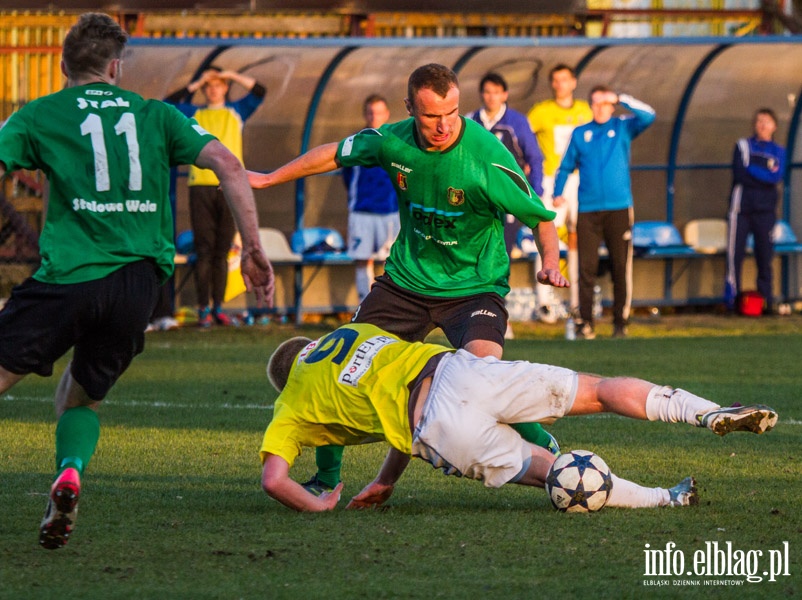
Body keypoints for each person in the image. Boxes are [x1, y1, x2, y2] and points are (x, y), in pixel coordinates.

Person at [0, 12, 275, 550]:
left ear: (62, 64)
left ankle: (69, 473)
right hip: (137, 287)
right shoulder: (157, 114)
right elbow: (227, 164)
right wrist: (254, 250)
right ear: (116, 66)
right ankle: (71, 470)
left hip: (69, 278)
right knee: (78, 399)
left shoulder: (38, 115)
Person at [248, 63, 568, 496]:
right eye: (431, 116)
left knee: (484, 377)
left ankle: (548, 452)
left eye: (452, 112)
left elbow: (541, 218)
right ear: (410, 109)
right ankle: (326, 480)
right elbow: (331, 153)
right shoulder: (391, 141)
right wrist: (269, 178)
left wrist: (551, 262)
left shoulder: (486, 154)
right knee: (335, 366)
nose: (443, 125)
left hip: (473, 287)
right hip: (404, 285)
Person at [259, 323, 778, 512]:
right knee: (598, 390)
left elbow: (274, 479)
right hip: (459, 372)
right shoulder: (355, 332)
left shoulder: (290, 406)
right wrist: (385, 481)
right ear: (311, 347)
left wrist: (319, 504)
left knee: (553, 473)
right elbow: (390, 389)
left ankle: (666, 498)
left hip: (438, 428)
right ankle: (706, 411)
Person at [164, 65, 266, 327]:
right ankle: (202, 309)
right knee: (204, 249)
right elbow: (168, 104)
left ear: (225, 87)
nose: (213, 89)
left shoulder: (236, 112)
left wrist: (230, 75)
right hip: (200, 187)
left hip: (229, 186)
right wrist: (196, 83)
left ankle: (219, 307)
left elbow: (259, 91)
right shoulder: (194, 113)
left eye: (218, 84)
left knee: (222, 250)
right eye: (209, 85)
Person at [554, 86, 655, 339]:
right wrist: (558, 192)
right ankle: (585, 323)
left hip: (619, 208)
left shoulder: (623, 127)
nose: (601, 108)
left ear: (612, 106)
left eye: (606, 103)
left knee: (620, 266)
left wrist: (622, 98)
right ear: (590, 106)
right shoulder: (581, 133)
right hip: (587, 209)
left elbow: (649, 116)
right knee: (585, 269)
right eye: (596, 103)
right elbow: (565, 166)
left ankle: (621, 322)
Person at [527, 64, 593, 321]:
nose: (560, 84)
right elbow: (524, 138)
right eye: (555, 80)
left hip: (580, 180)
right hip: (551, 179)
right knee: (545, 231)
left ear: (573, 82)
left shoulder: (584, 111)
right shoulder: (542, 112)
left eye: (564, 79)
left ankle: (576, 301)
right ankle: (544, 303)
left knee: (578, 237)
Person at [466, 72, 544, 256]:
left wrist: (536, 192)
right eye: (487, 92)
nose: (491, 97)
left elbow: (534, 157)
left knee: (503, 249)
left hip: (508, 194)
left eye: (496, 92)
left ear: (504, 95)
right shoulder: (471, 121)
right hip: (478, 195)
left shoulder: (517, 122)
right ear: (481, 94)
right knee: (476, 250)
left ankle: (501, 284)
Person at [724, 108, 786, 314]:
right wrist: (763, 174)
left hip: (766, 212)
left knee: (765, 257)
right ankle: (732, 302)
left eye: (767, 122)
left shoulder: (778, 151)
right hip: (741, 210)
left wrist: (754, 170)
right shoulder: (743, 146)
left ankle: (766, 302)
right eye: (759, 121)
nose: (762, 125)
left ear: (774, 126)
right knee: (735, 257)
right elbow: (741, 173)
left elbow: (775, 177)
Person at [341, 94, 400, 302]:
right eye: (370, 112)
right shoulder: (355, 142)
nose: (374, 116)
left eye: (379, 112)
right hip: (361, 211)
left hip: (390, 213)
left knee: (391, 263)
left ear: (387, 114)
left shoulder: (396, 141)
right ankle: (363, 308)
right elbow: (347, 176)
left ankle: (388, 308)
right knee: (362, 261)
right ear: (365, 115)